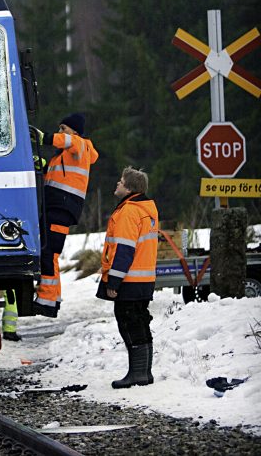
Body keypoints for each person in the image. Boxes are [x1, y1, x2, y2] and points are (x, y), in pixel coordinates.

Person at [32, 113, 99, 317]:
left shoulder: (80, 145)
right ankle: (52, 299)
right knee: (48, 252)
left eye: (63, 128)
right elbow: (55, 173)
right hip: (58, 207)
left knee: (48, 253)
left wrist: (44, 138)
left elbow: (68, 140)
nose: (60, 132)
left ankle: (47, 300)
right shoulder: (63, 156)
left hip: (62, 207)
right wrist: (41, 165)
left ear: (75, 131)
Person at [97, 166, 158, 388]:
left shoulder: (129, 212)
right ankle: (144, 373)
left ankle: (138, 374)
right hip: (144, 280)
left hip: (129, 281)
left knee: (129, 324)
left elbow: (123, 250)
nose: (117, 184)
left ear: (130, 188)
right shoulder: (148, 209)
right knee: (140, 323)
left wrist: (114, 281)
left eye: (121, 182)